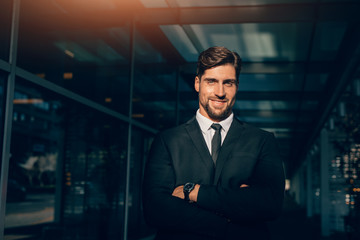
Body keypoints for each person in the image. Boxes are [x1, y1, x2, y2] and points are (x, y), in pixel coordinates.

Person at [142, 46, 285, 240]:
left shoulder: (262, 141)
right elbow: (155, 210)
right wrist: (229, 224)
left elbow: (270, 204)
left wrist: (195, 193)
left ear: (237, 86)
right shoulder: (167, 140)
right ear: (197, 83)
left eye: (228, 83)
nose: (220, 92)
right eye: (211, 81)